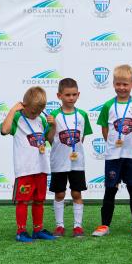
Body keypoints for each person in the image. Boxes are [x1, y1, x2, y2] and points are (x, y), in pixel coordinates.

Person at [93, 64, 132, 237]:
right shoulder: (108, 105)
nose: (122, 87)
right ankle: (104, 225)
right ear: (113, 84)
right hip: (113, 155)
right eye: (118, 84)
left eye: (125, 84)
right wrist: (112, 144)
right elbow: (105, 129)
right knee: (110, 190)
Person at [0, 86, 56, 243]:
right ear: (23, 105)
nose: (35, 114)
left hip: (41, 168)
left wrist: (53, 126)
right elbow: (4, 130)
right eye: (32, 111)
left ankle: (38, 229)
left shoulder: (41, 119)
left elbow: (50, 140)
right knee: (23, 200)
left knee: (39, 200)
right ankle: (21, 231)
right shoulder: (17, 118)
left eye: (39, 111)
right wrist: (13, 110)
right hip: (25, 169)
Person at [49, 78, 93, 237]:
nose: (71, 98)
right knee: (59, 194)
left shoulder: (82, 115)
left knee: (76, 193)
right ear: (59, 95)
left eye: (74, 94)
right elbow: (49, 139)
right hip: (59, 162)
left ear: (78, 94)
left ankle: (77, 226)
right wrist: (53, 126)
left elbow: (81, 138)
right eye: (67, 95)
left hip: (77, 163)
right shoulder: (53, 116)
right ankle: (59, 226)